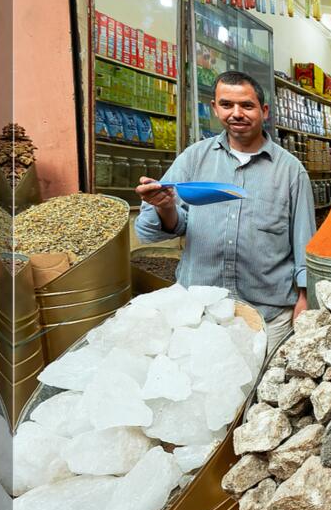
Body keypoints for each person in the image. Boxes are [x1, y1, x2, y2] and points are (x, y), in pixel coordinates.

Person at [135, 70, 315, 352]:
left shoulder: (291, 171)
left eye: (247, 105)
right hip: (199, 311)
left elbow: (305, 243)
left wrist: (305, 299)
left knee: (261, 392)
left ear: (264, 110)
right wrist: (166, 206)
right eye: (227, 105)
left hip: (269, 314)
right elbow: (148, 230)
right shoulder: (194, 158)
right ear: (215, 108)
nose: (236, 113)